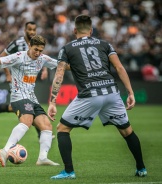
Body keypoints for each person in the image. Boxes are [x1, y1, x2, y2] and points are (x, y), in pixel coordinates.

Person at [48, 14, 147, 179]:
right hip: (112, 93)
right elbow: (120, 68)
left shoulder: (67, 48)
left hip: (90, 95)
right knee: (127, 131)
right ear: (91, 30)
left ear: (74, 30)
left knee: (62, 129)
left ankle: (69, 171)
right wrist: (130, 92)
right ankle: (141, 168)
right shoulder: (105, 44)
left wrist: (52, 101)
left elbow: (59, 74)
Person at [0, 35, 59, 167]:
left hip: (32, 98)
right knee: (27, 121)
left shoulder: (43, 59)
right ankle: (5, 151)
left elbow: (62, 65)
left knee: (47, 126)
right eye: (35, 49)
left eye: (40, 50)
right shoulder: (18, 57)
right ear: (30, 46)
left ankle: (42, 158)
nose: (38, 53)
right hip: (18, 96)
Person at [0, 22, 49, 138]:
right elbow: (2, 56)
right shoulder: (17, 43)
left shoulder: (37, 43)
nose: (32, 32)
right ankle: (41, 132)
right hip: (17, 80)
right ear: (25, 30)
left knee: (14, 107)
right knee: (27, 106)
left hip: (29, 80)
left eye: (34, 30)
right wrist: (7, 74)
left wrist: (45, 70)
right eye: (29, 29)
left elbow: (41, 57)